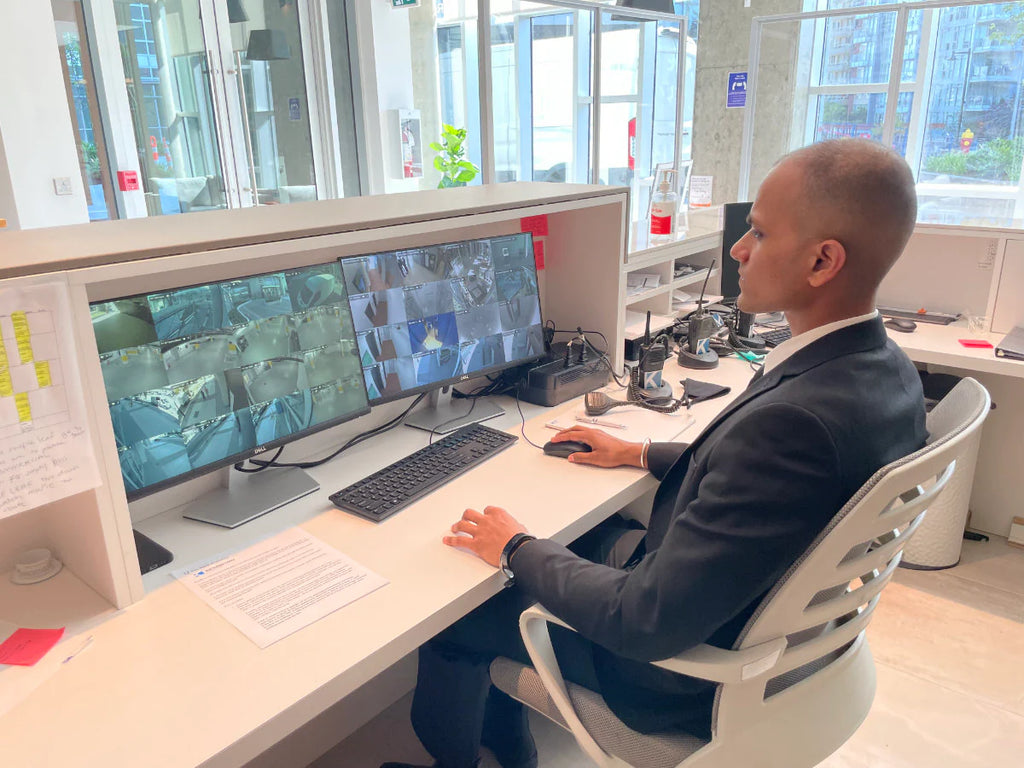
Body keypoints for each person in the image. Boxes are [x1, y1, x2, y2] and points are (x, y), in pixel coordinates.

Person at [382, 139, 928, 768]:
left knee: (463, 611)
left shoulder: (793, 425)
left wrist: (516, 547)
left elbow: (642, 619)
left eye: (758, 232)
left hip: (672, 674)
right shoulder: (884, 371)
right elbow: (767, 487)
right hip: (748, 609)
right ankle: (509, 747)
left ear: (823, 261)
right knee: (595, 534)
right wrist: (639, 452)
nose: (737, 249)